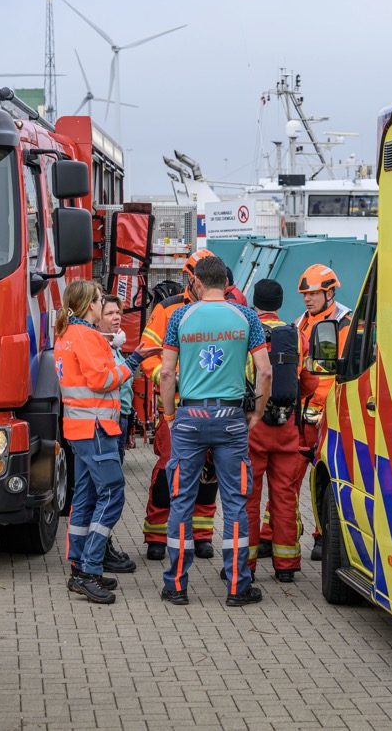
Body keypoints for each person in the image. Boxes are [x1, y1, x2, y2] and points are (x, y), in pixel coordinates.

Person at [158, 256, 271, 606]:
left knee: (181, 501)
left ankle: (176, 585)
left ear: (196, 283)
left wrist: (170, 415)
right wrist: (256, 414)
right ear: (225, 282)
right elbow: (265, 372)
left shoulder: (180, 316)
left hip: (190, 415)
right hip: (231, 416)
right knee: (235, 503)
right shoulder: (246, 316)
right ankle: (238, 586)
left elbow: (165, 373)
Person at [137, 248, 237, 560]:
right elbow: (147, 352)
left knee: (209, 474)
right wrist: (166, 379)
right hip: (178, 405)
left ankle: (202, 533)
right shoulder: (169, 309)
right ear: (191, 279)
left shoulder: (227, 309)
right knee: (169, 471)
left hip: (214, 405)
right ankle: (157, 533)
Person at [54, 280, 147, 604]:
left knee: (85, 498)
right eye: (97, 301)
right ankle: (89, 569)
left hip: (79, 430)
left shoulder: (65, 335)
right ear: (88, 306)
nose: (100, 305)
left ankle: (79, 566)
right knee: (112, 495)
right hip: (97, 429)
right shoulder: (88, 336)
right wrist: (132, 363)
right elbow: (101, 379)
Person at [265, 263, 351, 562]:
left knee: (326, 477)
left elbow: (340, 371)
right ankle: (271, 535)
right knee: (288, 479)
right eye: (304, 294)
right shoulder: (299, 322)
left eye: (313, 294)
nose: (307, 299)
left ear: (330, 293)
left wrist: (317, 403)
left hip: (330, 412)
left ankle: (321, 535)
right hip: (302, 415)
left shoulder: (346, 323)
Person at [245, 279, 310, 582]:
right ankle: (287, 566)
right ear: (280, 303)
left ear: (254, 301)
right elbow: (307, 380)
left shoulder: (247, 330)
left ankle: (246, 563)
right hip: (287, 425)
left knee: (249, 496)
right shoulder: (297, 335)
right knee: (284, 495)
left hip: (254, 425)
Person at [95, 294, 138, 574]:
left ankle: (100, 546)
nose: (115, 317)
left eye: (118, 312)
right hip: (108, 423)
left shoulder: (113, 347)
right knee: (107, 490)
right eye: (109, 312)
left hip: (120, 418)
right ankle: (100, 548)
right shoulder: (100, 348)